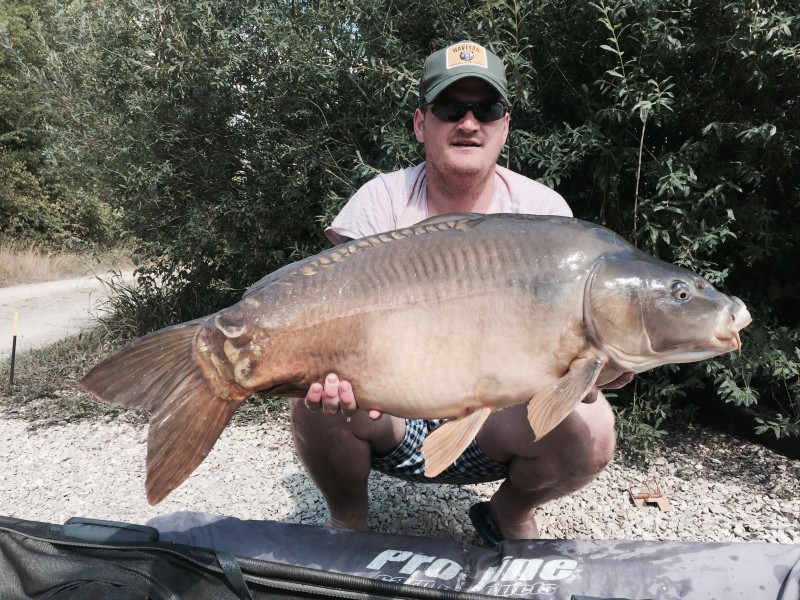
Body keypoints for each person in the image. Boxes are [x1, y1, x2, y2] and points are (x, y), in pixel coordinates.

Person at [290, 41, 626, 545]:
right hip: (389, 414)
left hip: (497, 422)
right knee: (314, 401)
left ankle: (508, 513)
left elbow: (583, 367)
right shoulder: (380, 200)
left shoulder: (544, 212)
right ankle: (347, 521)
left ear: (504, 126)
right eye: (450, 108)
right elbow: (332, 303)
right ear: (422, 123)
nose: (468, 123)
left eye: (486, 110)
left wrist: (602, 370)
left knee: (594, 426)